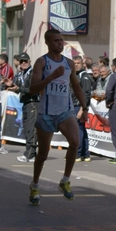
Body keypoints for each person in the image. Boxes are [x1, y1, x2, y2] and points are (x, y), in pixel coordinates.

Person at [28, 29, 88, 205]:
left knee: (75, 142)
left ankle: (65, 180)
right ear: (48, 43)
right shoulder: (41, 62)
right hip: (46, 113)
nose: (60, 43)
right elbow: (33, 88)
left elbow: (76, 86)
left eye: (62, 41)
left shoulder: (69, 63)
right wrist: (52, 77)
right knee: (43, 154)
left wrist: (84, 108)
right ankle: (35, 184)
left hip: (65, 111)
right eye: (56, 41)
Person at [7, 53, 39, 162]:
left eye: (25, 61)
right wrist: (10, 85)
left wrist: (19, 88)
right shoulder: (21, 73)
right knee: (26, 128)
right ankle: (30, 153)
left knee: (31, 129)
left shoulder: (33, 73)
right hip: (25, 103)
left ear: (30, 61)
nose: (23, 63)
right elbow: (16, 86)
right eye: (21, 61)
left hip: (34, 102)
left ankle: (30, 154)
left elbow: (33, 89)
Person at [72, 55, 92, 162]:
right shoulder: (74, 75)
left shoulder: (84, 77)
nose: (76, 65)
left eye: (78, 63)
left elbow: (86, 95)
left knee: (77, 130)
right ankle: (85, 153)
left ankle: (78, 153)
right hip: (72, 105)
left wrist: (82, 109)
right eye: (74, 64)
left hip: (78, 106)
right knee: (81, 129)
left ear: (82, 64)